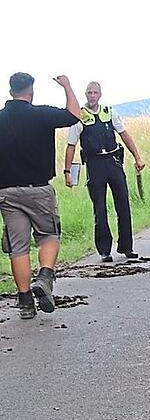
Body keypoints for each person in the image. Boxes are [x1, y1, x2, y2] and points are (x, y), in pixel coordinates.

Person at [0, 73, 82, 319]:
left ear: (11, 90)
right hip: (39, 190)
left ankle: (25, 302)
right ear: (31, 91)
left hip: (7, 193)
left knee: (18, 248)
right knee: (48, 235)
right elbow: (74, 115)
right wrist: (67, 85)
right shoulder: (41, 114)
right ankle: (45, 276)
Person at [64, 82, 146, 262]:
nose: (92, 96)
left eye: (95, 93)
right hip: (95, 165)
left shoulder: (109, 112)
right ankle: (104, 250)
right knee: (99, 209)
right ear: (85, 94)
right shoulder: (80, 116)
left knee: (123, 205)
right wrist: (67, 171)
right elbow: (71, 146)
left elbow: (124, 135)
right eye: (89, 93)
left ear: (100, 95)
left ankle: (126, 247)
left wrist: (137, 157)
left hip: (113, 162)